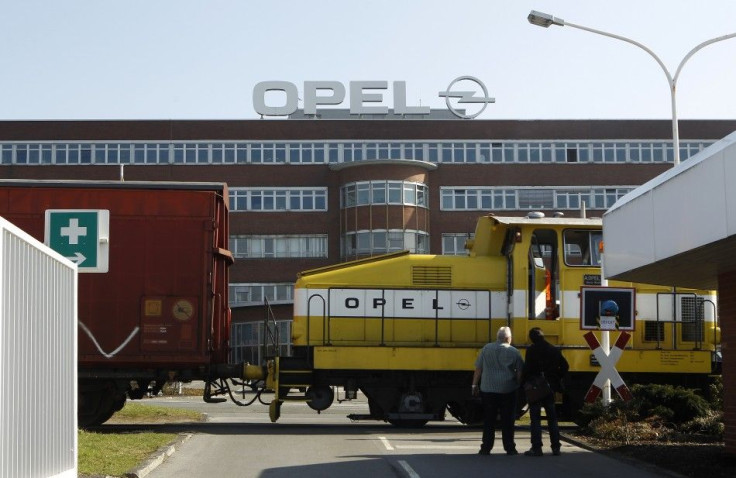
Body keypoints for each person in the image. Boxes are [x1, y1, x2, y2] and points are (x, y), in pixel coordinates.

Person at [472, 326, 524, 456]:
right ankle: (510, 448)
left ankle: (486, 448)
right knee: (508, 420)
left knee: (489, 419)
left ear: (498, 337)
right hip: (508, 390)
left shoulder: (486, 349)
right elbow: (520, 373)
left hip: (488, 390)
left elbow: (478, 369)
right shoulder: (514, 352)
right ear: (508, 338)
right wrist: (518, 384)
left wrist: (474, 385)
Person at [521, 327, 569, 457]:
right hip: (550, 387)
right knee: (552, 418)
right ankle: (556, 447)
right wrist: (556, 377)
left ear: (532, 338)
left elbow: (527, 369)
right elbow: (565, 366)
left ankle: (536, 448)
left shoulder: (530, 350)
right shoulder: (554, 349)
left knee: (535, 419)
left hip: (535, 388)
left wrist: (524, 383)